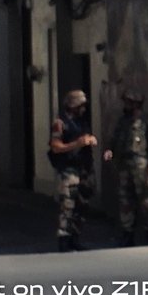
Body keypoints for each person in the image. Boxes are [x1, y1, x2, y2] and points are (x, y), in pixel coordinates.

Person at [102, 88, 148, 246]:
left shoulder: (147, 121)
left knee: (146, 199)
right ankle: (127, 233)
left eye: (128, 102)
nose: (126, 105)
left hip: (141, 163)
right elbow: (114, 140)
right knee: (125, 199)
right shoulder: (123, 121)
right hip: (124, 164)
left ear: (136, 104)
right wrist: (109, 151)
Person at [49, 89, 97, 252]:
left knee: (82, 204)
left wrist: (89, 140)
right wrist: (77, 144)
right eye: (80, 105)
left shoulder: (82, 122)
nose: (83, 108)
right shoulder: (60, 123)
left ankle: (75, 237)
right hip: (69, 169)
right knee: (68, 204)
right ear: (72, 105)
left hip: (84, 169)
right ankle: (64, 239)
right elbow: (56, 147)